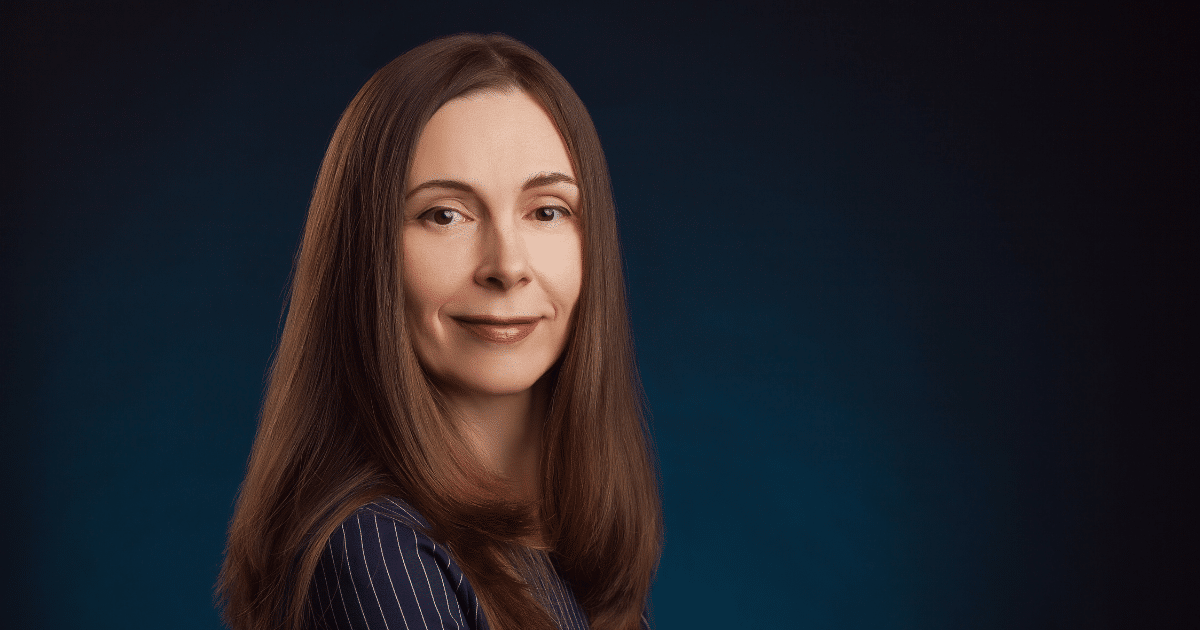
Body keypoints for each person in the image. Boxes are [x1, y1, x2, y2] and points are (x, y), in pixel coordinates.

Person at [216, 33, 662, 630]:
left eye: (547, 211)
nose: (507, 265)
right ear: (366, 255)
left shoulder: (558, 552)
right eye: (445, 214)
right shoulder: (376, 554)